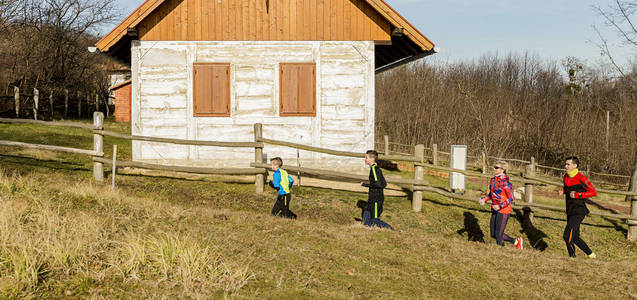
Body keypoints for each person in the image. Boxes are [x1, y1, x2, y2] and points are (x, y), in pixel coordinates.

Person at [558, 156, 597, 258]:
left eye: (568, 164)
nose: (565, 166)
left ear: (575, 166)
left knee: (567, 236)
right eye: (565, 164)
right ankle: (592, 255)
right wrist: (562, 190)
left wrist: (579, 195)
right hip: (570, 210)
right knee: (575, 237)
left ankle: (572, 258)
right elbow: (566, 187)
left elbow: (593, 192)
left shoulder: (581, 178)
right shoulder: (566, 176)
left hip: (579, 211)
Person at [479, 161, 523, 249]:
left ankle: (502, 252)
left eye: (496, 167)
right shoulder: (493, 180)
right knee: (493, 234)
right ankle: (516, 241)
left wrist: (500, 206)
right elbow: (492, 195)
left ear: (503, 170)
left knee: (499, 236)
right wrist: (484, 199)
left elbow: (511, 198)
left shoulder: (505, 182)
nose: (494, 169)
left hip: (504, 210)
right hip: (495, 209)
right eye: (494, 167)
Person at [360, 150, 394, 230]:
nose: (365, 159)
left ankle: (391, 230)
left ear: (372, 159)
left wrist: (365, 184)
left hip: (376, 198)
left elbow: (378, 184)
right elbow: (384, 184)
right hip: (372, 197)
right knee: (366, 217)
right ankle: (368, 227)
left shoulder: (375, 170)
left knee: (375, 220)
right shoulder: (375, 169)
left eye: (366, 158)